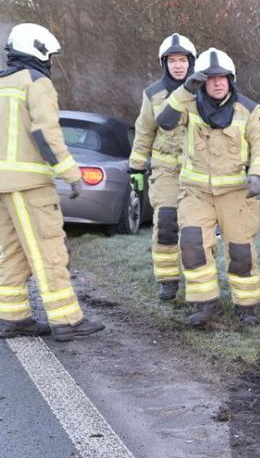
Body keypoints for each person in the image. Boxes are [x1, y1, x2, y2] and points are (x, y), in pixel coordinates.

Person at [0, 23, 104, 341]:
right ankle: (67, 320)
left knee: (13, 252)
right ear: (39, 51)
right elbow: (46, 134)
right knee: (49, 251)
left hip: (4, 186)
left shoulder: (3, 83)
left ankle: (13, 317)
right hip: (31, 183)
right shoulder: (37, 82)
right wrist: (71, 173)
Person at [156, 48, 260, 327]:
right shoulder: (189, 106)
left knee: (241, 252)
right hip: (196, 193)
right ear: (202, 82)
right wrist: (184, 90)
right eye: (211, 78)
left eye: (223, 78)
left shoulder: (248, 109)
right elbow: (165, 121)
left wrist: (257, 174)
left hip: (236, 193)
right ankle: (206, 304)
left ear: (231, 80)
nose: (218, 83)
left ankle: (247, 306)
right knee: (193, 246)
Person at [128, 33, 196, 301]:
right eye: (172, 61)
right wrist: (135, 167)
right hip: (165, 170)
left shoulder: (202, 90)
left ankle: (199, 280)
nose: (177, 65)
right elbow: (144, 131)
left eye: (182, 60)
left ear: (191, 62)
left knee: (195, 229)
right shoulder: (153, 94)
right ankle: (167, 280)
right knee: (166, 223)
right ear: (164, 63)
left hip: (197, 172)